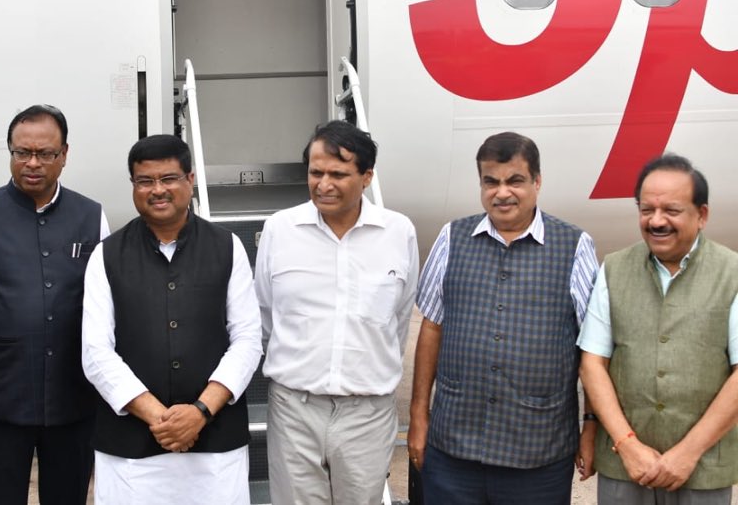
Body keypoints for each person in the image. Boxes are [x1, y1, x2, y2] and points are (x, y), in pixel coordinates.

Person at [408, 131, 599, 504]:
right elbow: (431, 327)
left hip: (538, 456)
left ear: (537, 182)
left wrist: (590, 427)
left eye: (515, 181)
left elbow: (593, 347)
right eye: (490, 182)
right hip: (453, 452)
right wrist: (418, 415)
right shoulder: (452, 237)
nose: (502, 192)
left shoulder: (574, 246)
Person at [82, 134, 261, 505]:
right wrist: (159, 418)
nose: (157, 190)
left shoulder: (227, 247)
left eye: (168, 178)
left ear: (190, 180)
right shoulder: (107, 255)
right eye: (145, 181)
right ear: (133, 185)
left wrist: (200, 412)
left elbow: (246, 340)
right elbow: (95, 351)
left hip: (215, 446)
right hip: (130, 450)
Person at [253, 120, 419, 504]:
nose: (323, 184)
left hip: (367, 412)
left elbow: (399, 318)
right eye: (316, 173)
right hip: (294, 409)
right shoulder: (280, 229)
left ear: (366, 177)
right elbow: (266, 315)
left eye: (338, 174)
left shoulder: (398, 232)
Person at [0, 104, 108, 504]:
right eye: (22, 152)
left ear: (64, 154)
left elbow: (105, 314)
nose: (33, 163)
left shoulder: (92, 217)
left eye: (45, 153)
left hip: (73, 404)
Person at [579, 154, 738, 503]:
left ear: (702, 215)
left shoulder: (732, 272)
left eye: (671, 210)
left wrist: (688, 453)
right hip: (625, 467)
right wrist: (627, 445)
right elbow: (592, 363)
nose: (656, 221)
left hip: (703, 469)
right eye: (646, 209)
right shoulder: (614, 269)